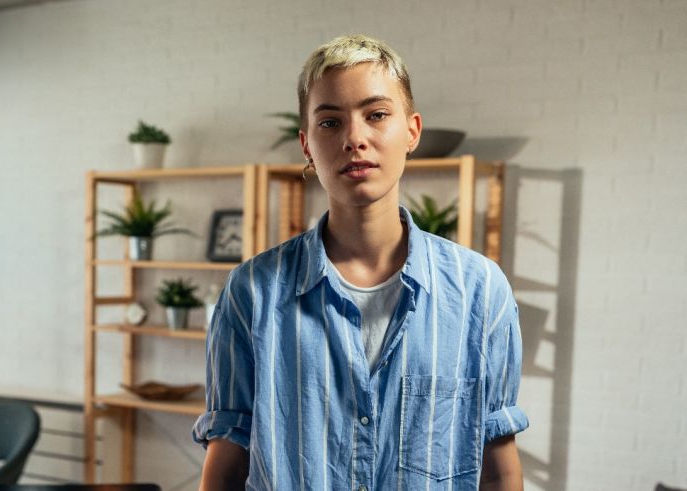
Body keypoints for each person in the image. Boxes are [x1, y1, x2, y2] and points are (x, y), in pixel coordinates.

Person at [192, 34, 528, 490]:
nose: (355, 138)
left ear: (411, 131)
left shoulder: (480, 289)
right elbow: (227, 463)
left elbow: (497, 464)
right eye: (330, 123)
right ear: (307, 144)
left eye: (376, 115)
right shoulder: (252, 291)